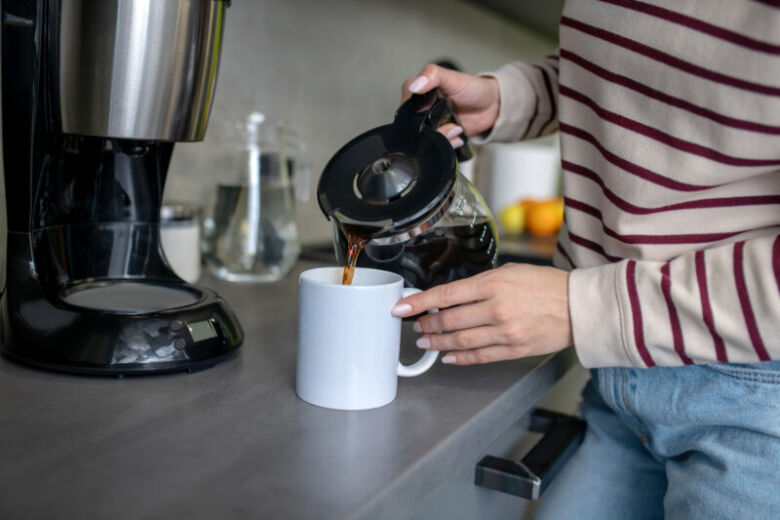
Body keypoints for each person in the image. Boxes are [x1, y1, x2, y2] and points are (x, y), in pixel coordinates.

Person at [390, 1, 780, 518]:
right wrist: (508, 99)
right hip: (618, 383)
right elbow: (645, 71)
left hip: (753, 401)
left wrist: (586, 308)